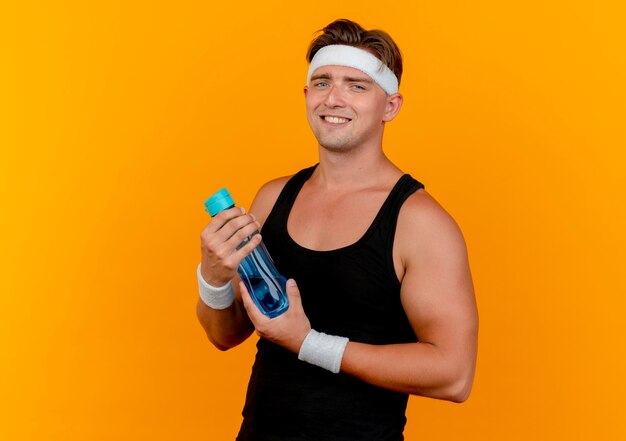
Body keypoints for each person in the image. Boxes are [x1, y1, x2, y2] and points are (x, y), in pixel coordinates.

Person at [196, 18, 478, 441]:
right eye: (323, 82)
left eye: (357, 85)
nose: (334, 98)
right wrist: (213, 278)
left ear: (390, 106)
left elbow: (454, 375)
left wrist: (308, 343)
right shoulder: (273, 198)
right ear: (307, 96)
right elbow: (226, 335)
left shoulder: (419, 223)